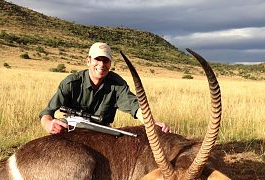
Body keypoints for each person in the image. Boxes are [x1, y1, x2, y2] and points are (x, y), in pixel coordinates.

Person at [40, 42, 170, 134]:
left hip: (101, 131)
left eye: (106, 60)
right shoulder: (71, 82)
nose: (102, 64)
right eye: (97, 59)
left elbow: (135, 107)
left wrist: (151, 123)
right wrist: (49, 124)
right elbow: (47, 113)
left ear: (110, 63)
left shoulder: (117, 84)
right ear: (88, 61)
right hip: (72, 127)